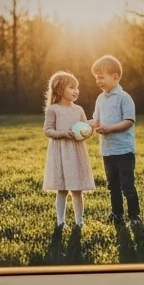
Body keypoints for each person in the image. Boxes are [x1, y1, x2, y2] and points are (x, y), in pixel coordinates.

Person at [90, 55, 139, 229]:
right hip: (107, 151)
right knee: (113, 186)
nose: (97, 80)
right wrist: (88, 125)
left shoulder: (124, 97)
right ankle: (117, 214)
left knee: (127, 186)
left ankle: (134, 217)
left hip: (124, 151)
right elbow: (96, 120)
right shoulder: (100, 99)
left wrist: (109, 128)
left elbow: (129, 121)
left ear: (115, 76)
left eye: (101, 76)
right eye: (96, 77)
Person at [43, 71, 95, 233]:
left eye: (77, 87)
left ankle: (79, 222)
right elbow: (48, 131)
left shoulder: (78, 109)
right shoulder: (53, 109)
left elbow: (85, 129)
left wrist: (89, 129)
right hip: (61, 152)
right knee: (62, 189)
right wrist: (64, 133)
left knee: (77, 189)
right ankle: (61, 222)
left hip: (76, 152)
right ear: (60, 90)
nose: (76, 91)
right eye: (72, 87)